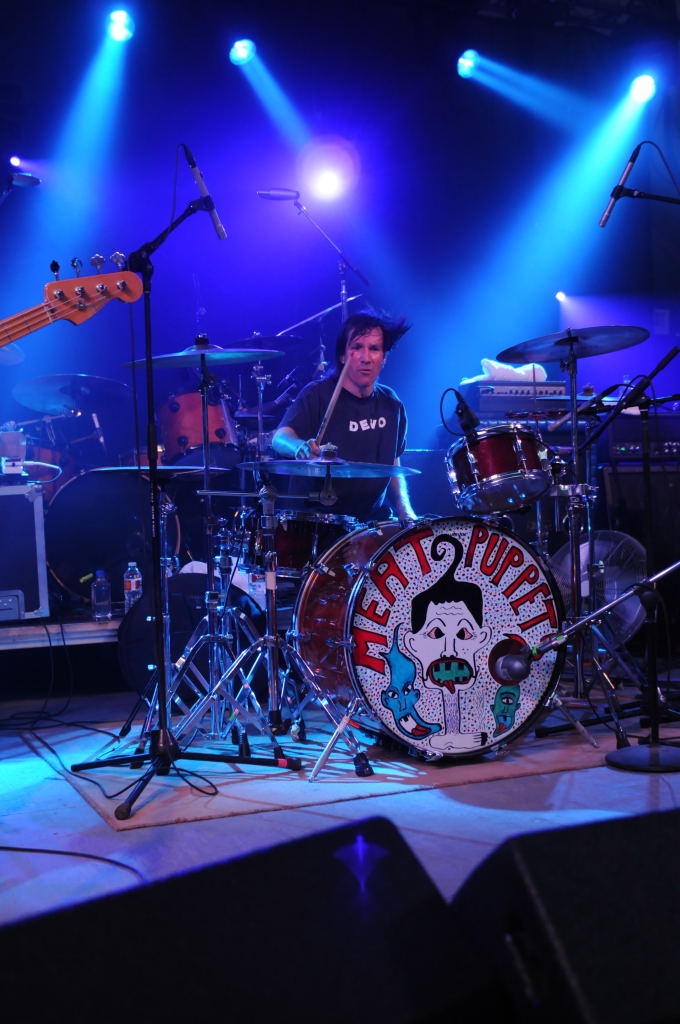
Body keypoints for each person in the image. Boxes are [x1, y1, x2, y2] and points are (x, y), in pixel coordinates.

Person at [271, 311, 416, 522]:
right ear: (342, 355)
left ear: (384, 357)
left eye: (374, 349)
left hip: (371, 523)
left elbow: (393, 464)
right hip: (316, 523)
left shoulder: (391, 403)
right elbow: (280, 438)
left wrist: (405, 510)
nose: (366, 358)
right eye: (357, 347)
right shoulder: (317, 394)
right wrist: (299, 447)